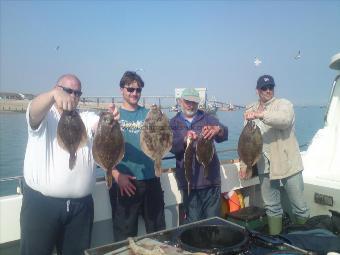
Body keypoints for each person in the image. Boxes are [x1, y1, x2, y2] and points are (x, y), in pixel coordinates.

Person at [20, 74, 119, 255]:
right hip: (42, 206)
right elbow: (33, 111)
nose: (73, 96)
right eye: (68, 91)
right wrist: (52, 95)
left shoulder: (84, 117)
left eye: (77, 93)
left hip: (81, 208)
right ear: (56, 88)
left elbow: (98, 125)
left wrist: (109, 119)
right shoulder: (45, 116)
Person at [240, 74, 310, 235]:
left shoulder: (284, 105)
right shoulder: (249, 109)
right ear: (258, 90)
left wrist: (261, 115)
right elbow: (245, 140)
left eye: (271, 87)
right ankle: (276, 242)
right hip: (264, 165)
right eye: (264, 88)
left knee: (299, 206)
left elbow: (284, 120)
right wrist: (245, 165)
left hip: (288, 163)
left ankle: (306, 241)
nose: (268, 90)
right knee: (272, 207)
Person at [109, 71, 166, 241]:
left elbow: (165, 137)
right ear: (121, 90)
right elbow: (102, 149)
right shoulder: (113, 116)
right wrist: (116, 175)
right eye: (130, 89)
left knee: (158, 232)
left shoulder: (150, 115)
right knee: (125, 236)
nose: (135, 93)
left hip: (151, 178)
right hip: (124, 182)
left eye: (138, 90)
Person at [170, 88, 228, 224]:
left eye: (194, 102)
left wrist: (218, 129)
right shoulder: (173, 123)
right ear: (180, 101)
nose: (190, 104)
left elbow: (224, 134)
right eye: (187, 101)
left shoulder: (208, 118)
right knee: (193, 223)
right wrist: (184, 140)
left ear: (198, 103)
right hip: (188, 183)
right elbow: (171, 147)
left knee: (213, 222)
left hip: (210, 181)